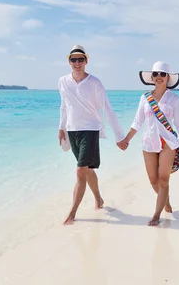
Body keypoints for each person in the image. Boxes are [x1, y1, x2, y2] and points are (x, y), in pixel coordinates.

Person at [117, 61, 179, 226]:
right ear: (151, 78)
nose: (159, 77)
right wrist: (126, 140)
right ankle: (165, 201)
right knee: (153, 181)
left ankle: (156, 214)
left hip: (168, 143)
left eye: (162, 74)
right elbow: (137, 122)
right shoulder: (145, 98)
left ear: (167, 77)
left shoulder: (174, 99)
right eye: (156, 74)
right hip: (149, 142)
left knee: (163, 180)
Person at [58, 45, 126, 225]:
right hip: (72, 130)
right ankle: (99, 199)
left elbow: (107, 108)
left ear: (86, 61)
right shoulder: (63, 81)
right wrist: (61, 128)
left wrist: (119, 136)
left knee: (80, 170)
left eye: (81, 59)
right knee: (87, 169)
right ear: (69, 62)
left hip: (90, 129)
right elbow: (64, 106)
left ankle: (72, 213)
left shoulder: (95, 82)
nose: (77, 63)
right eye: (74, 60)